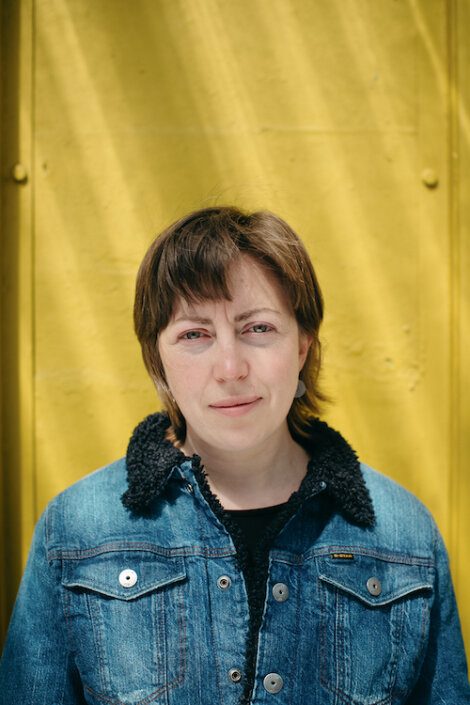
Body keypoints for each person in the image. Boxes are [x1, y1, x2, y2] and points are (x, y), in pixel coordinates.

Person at [1, 206, 469, 704]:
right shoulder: (76, 530)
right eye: (194, 335)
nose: (229, 367)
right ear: (157, 359)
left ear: (303, 345)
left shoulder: (404, 537)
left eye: (258, 328)